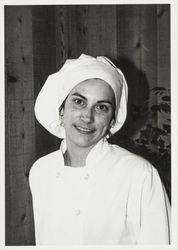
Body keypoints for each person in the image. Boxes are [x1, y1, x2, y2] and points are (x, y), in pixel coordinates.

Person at [29, 54, 171, 245]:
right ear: (61, 108)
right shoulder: (41, 171)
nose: (87, 117)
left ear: (112, 119)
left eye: (102, 107)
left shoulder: (139, 174)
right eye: (79, 102)